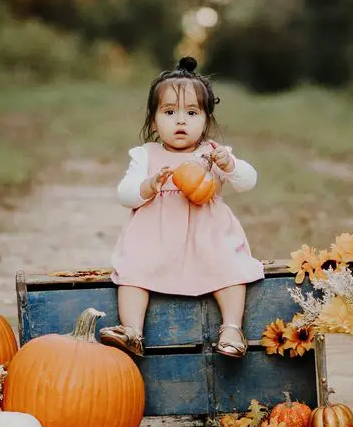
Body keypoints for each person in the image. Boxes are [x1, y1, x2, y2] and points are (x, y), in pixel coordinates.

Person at [99, 56, 264, 359]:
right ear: (153, 121)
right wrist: (148, 185)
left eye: (191, 112)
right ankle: (132, 331)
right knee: (133, 270)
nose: (180, 121)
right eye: (169, 112)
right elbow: (125, 194)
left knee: (231, 267)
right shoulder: (145, 155)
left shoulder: (215, 154)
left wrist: (232, 166)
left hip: (208, 236)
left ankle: (231, 328)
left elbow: (248, 182)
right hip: (155, 237)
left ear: (206, 121)